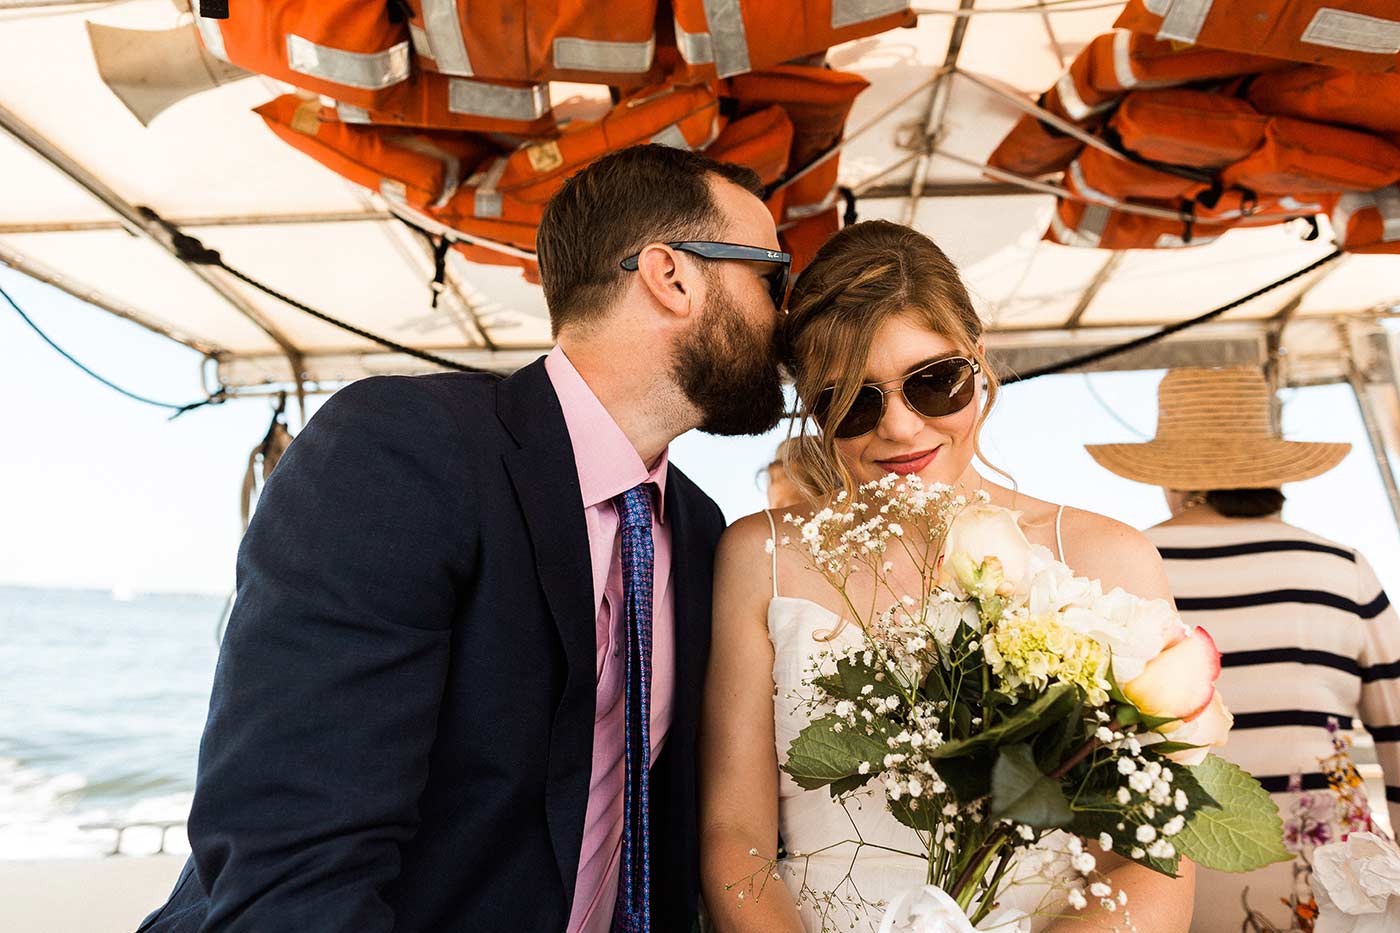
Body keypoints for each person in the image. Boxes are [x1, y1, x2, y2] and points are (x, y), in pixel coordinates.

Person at [137, 144, 789, 932]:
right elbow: (296, 872)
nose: (784, 315)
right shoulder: (399, 451)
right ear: (671, 275)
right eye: (772, 277)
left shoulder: (699, 526)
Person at [699, 219, 1196, 932]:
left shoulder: (1108, 557)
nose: (900, 427)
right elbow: (735, 834)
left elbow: (1154, 860)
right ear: (811, 406)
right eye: (854, 400)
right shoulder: (759, 555)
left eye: (933, 383)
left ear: (978, 363)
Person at [1085, 366, 1400, 933]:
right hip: (1329, 885)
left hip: (1169, 879)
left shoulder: (1123, 566)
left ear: (1172, 475)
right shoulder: (1341, 567)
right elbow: (1397, 730)